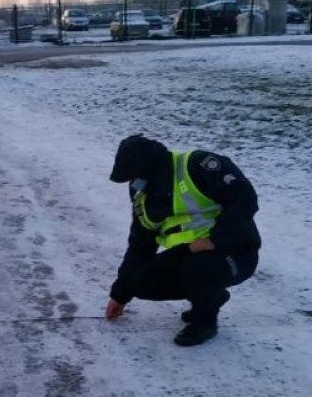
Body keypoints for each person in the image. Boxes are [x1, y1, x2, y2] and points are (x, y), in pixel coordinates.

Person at [105, 134, 261, 346]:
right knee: (138, 281)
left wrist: (215, 240)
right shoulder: (142, 195)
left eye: (135, 176)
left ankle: (205, 322)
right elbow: (140, 246)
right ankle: (210, 297)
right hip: (188, 253)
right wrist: (119, 295)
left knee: (199, 268)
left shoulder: (197, 165)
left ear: (150, 168)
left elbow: (244, 199)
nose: (134, 183)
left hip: (234, 251)